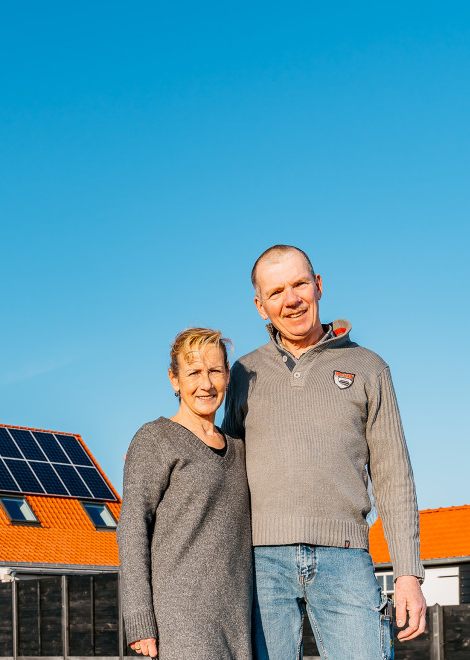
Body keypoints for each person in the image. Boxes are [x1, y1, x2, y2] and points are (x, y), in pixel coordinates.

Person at [221, 244, 426, 660]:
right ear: (261, 306)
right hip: (261, 564)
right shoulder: (243, 372)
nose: (291, 300)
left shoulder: (369, 367)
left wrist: (408, 573)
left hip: (345, 558)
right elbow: (224, 465)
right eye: (276, 292)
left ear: (318, 285)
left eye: (299, 284)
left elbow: (393, 475)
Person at [119, 328, 252, 660]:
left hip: (239, 621)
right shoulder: (155, 439)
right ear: (174, 380)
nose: (206, 384)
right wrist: (139, 619)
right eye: (194, 373)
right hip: (181, 621)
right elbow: (132, 528)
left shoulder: (240, 447)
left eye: (215, 371)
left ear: (227, 376)